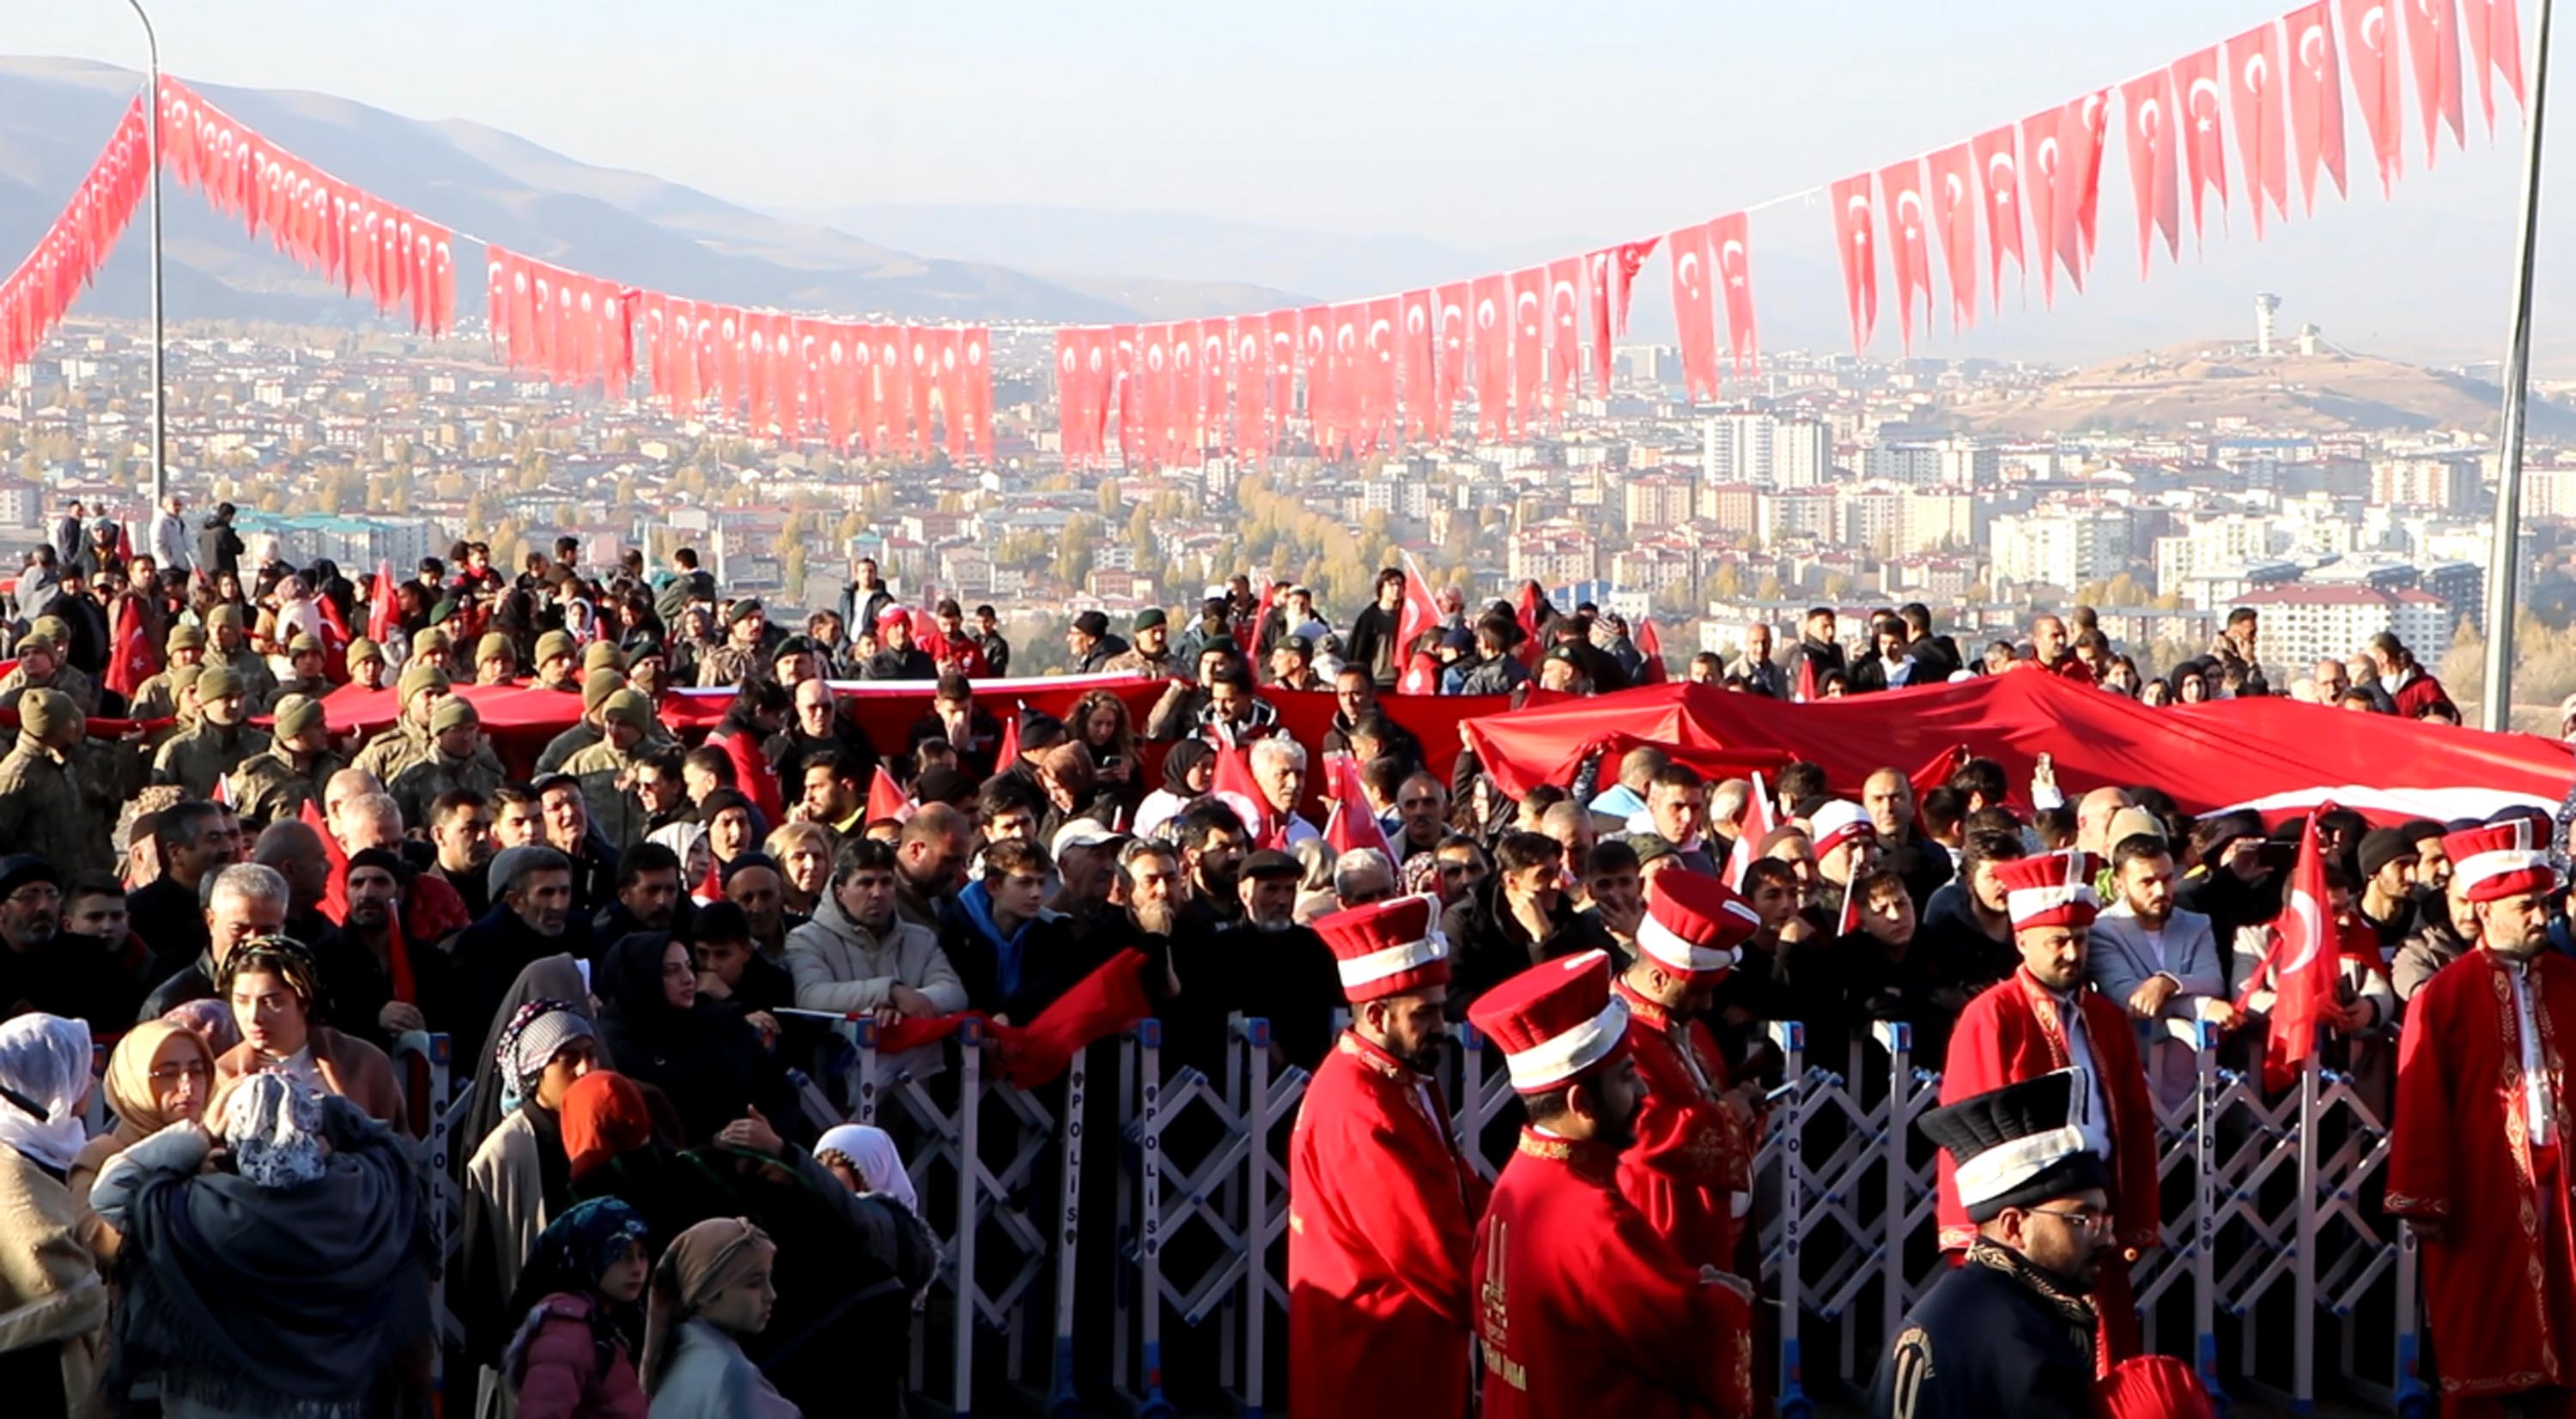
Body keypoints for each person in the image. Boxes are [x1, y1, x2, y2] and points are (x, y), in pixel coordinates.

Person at [1468, 951, 1755, 1419]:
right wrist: (1726, 1296)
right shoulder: (1596, 1220)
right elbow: (1689, 1337)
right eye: (1626, 1078)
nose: (1643, 1095)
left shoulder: (1516, 1183)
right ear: (1581, 1103)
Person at [93, 1073, 432, 1419]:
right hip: (334, 1403)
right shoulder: (364, 1191)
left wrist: (202, 1133)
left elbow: (110, 1192)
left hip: (219, 1403)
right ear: (312, 1129)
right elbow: (388, 1148)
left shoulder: (192, 1205)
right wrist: (330, 1111)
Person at [1936, 849, 2159, 1367]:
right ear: (2022, 941)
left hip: (2096, 1213)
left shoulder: (2105, 1018)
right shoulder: (1991, 1017)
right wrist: (1982, 1234)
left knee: (2101, 1355)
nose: (2070, 954)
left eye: (2080, 941)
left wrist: (2137, 1217)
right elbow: (1975, 1135)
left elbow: (2134, 1121)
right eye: (2057, 941)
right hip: (2027, 1223)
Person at [2388, 820, 2576, 1412]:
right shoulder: (2443, 995)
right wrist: (2424, 1196)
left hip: (2567, 1183)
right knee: (2485, 1324)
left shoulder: (2572, 984)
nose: (2540, 917)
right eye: (2525, 906)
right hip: (2483, 1184)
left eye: (2543, 904)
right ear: (2486, 908)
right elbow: (2420, 1101)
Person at [1286, 894, 1487, 1419]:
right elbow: (1432, 1254)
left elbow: (1457, 1184)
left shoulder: (1395, 1075)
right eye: (1425, 1013)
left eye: (1442, 1007)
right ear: (1376, 1014)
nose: (1442, 1025)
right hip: (1380, 1363)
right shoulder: (1364, 1108)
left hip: (1399, 1351)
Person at [1869, 1070, 2123, 1419]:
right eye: (2083, 1221)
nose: (2107, 1239)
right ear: (2015, 1225)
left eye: (2106, 1220)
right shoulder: (2026, 1342)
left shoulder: (1952, 1303)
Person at [1616, 870, 1765, 1270]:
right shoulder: (1619, 1039)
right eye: (1699, 991)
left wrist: (1745, 1099)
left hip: (1712, 1234)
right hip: (1659, 1234)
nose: (1708, 1005)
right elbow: (1644, 1131)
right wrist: (1729, 1113)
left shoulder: (1692, 1030)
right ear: (1661, 976)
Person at [461, 999, 602, 1404]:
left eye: (590, 1055)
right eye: (568, 1060)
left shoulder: (596, 1135)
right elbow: (481, 1273)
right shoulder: (506, 1152)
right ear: (535, 1071)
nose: (584, 1071)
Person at [594, 931, 795, 1147]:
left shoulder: (715, 1021)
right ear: (641, 978)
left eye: (689, 966)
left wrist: (772, 1136)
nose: (689, 978)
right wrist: (712, 1144)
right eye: (671, 971)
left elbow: (777, 1086)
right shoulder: (617, 1048)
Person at [0, 1014, 106, 1419]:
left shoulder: (54, 1145)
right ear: (48, 1080)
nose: (92, 1080)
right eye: (80, 1067)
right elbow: (47, 1271)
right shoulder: (11, 1164)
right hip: (30, 1369)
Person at [2085, 833, 2235, 1110]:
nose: (2160, 891)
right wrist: (2199, 1005)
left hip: (2195, 1087)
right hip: (2133, 1081)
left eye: (2167, 879)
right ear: (2119, 885)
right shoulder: (2102, 931)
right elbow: (2131, 999)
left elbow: (2213, 981)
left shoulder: (2196, 924)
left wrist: (2164, 984)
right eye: (2147, 882)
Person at [210, 935, 407, 1128]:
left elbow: (398, 1146)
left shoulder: (363, 1062)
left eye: (272, 1002)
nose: (254, 1016)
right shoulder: (222, 1073)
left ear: (304, 1001)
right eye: (242, 1001)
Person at [70, 1018, 216, 1263]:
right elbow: (100, 1247)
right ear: (132, 1081)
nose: (187, 1086)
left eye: (197, 1070)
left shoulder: (221, 1145)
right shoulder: (100, 1156)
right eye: (168, 1074)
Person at [498, 1197, 653, 1419]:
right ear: (587, 1255)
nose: (637, 1268)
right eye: (621, 1254)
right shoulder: (564, 1332)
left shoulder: (615, 1323)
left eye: (642, 1254)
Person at [782, 837, 964, 1021]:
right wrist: (890, 992)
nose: (877, 893)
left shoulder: (921, 938)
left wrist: (908, 1004)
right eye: (866, 883)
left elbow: (954, 992)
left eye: (886, 883)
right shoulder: (807, 939)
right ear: (840, 892)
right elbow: (810, 996)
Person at [637, 1217, 798, 1418]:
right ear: (709, 1295)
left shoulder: (676, 1354)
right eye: (754, 1283)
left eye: (768, 1278)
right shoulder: (731, 1374)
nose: (771, 1294)